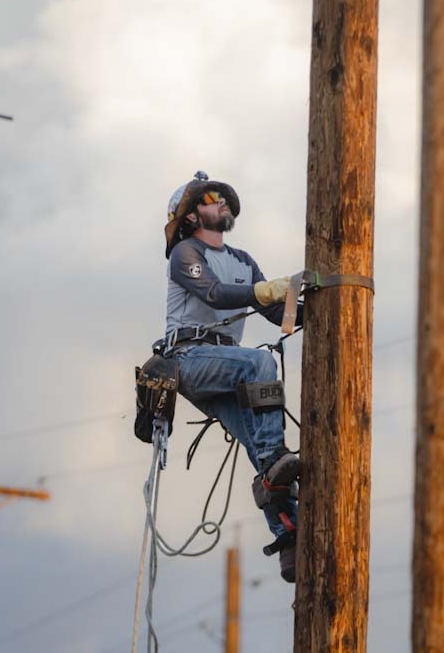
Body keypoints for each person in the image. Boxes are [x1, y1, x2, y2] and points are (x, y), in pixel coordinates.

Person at [160, 170, 301, 582]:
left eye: (223, 198)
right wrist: (264, 291)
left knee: (258, 443)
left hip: (224, 369)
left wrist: (317, 296)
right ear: (190, 217)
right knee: (259, 363)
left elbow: (277, 314)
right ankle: (277, 460)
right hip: (189, 360)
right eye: (210, 198)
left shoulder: (243, 261)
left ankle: (288, 538)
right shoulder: (184, 253)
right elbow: (216, 294)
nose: (220, 202)